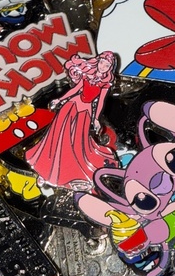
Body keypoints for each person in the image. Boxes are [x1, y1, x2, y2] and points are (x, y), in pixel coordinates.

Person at [25, 51, 117, 190]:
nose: (103, 66)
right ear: (98, 61)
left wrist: (96, 119)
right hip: (71, 106)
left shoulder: (105, 84)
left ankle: (71, 173)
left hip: (85, 112)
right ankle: (45, 172)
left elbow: (100, 102)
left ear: (110, 68)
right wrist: (59, 100)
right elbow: (75, 90)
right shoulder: (86, 75)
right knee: (56, 137)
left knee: (77, 143)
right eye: (102, 62)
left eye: (107, 65)